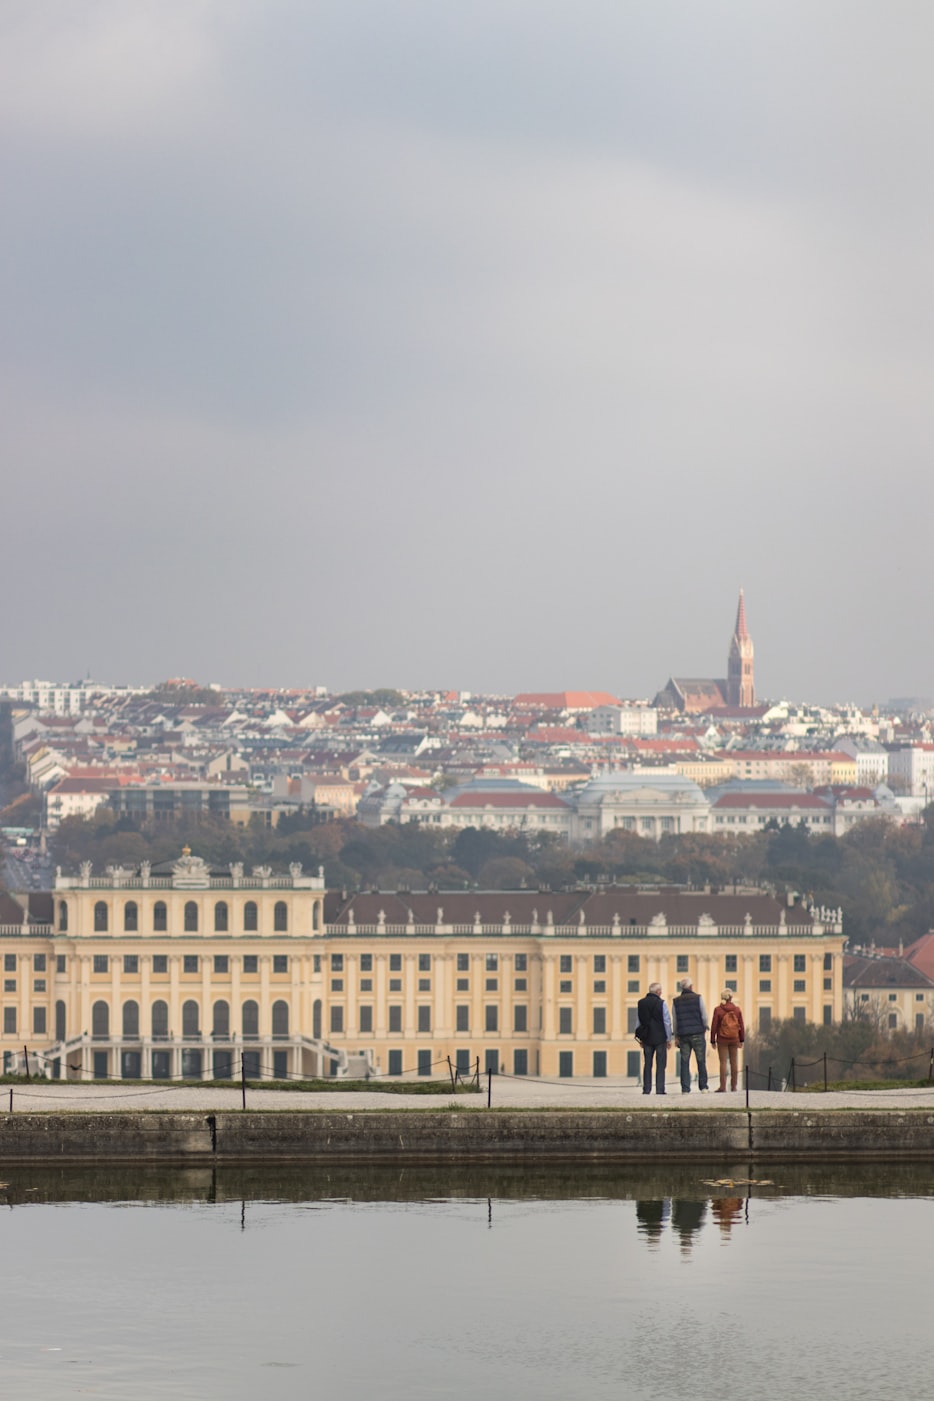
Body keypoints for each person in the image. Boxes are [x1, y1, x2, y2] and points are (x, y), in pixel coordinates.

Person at [671, 977, 709, 1093]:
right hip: (697, 1033)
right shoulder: (698, 998)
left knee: (684, 1062)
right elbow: (704, 1016)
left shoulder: (676, 1001)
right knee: (701, 1060)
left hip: (683, 1035)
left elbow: (675, 1020)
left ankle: (685, 1088)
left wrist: (676, 1035)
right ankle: (703, 1087)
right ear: (691, 987)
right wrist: (704, 1027)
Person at [637, 981, 673, 1095]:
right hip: (660, 1038)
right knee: (660, 1064)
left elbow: (639, 1022)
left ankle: (646, 1089)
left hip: (647, 1037)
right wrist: (668, 1038)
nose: (661, 992)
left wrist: (640, 1037)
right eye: (660, 991)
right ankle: (660, 1089)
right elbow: (667, 1022)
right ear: (657, 992)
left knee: (647, 1064)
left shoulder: (641, 1003)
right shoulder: (661, 1003)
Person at [710, 989, 745, 1092]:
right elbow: (741, 1026)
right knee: (734, 1062)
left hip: (722, 1039)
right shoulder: (737, 1010)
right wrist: (741, 1039)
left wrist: (712, 1040)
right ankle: (734, 1086)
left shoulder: (718, 1010)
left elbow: (714, 1026)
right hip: (734, 1038)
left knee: (723, 1062)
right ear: (731, 998)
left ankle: (723, 1086)